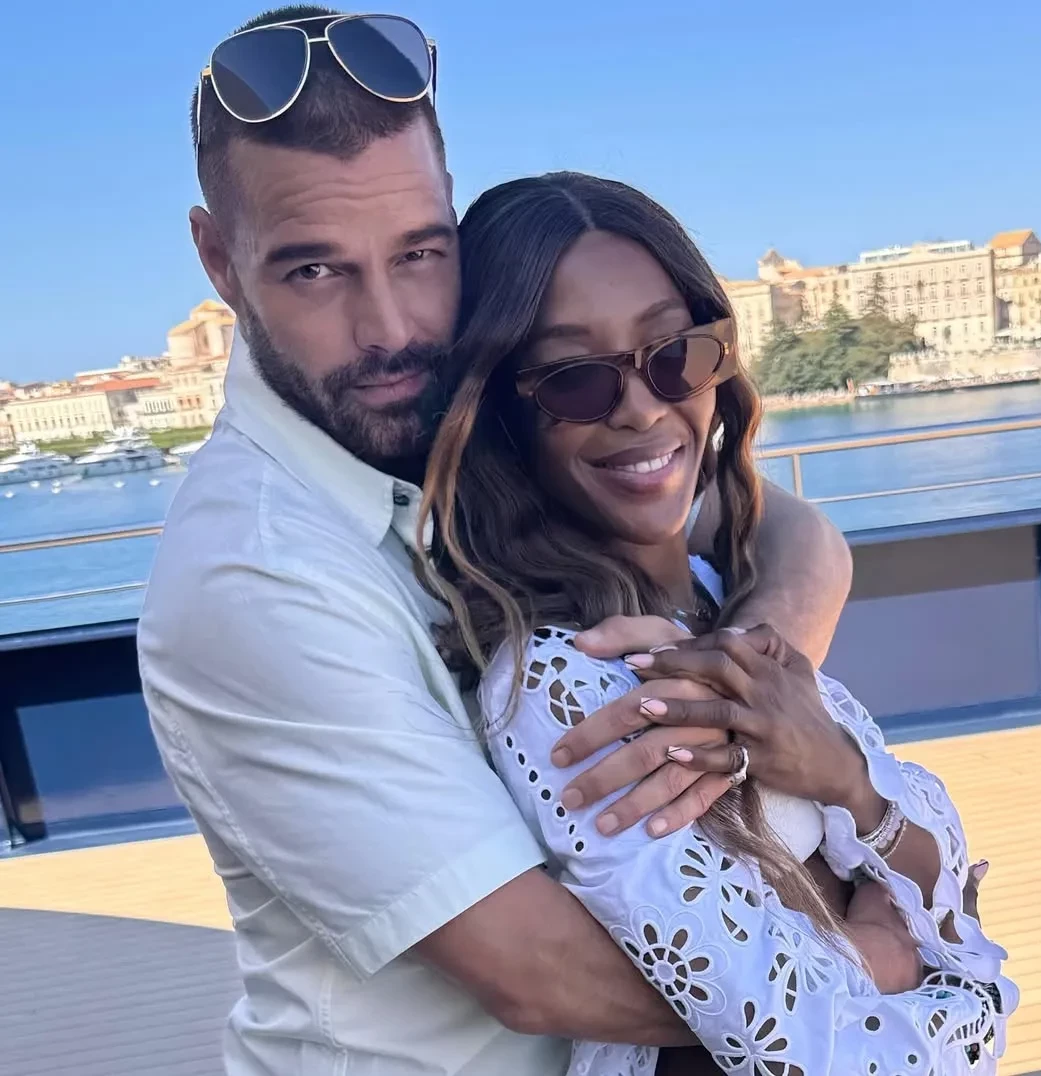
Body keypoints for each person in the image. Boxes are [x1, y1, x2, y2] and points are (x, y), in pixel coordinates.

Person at [140, 7, 853, 1074]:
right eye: (315, 271)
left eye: (420, 252)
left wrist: (739, 682)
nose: (391, 327)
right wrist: (889, 969)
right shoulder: (252, 577)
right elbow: (538, 972)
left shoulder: (460, 414)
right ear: (218, 259)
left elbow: (785, 524)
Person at [420, 172, 1017, 1074]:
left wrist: (845, 778)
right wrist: (931, 965)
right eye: (575, 379)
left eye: (675, 354)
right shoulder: (559, 680)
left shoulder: (717, 589)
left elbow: (940, 885)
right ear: (502, 414)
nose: (642, 407)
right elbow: (811, 1045)